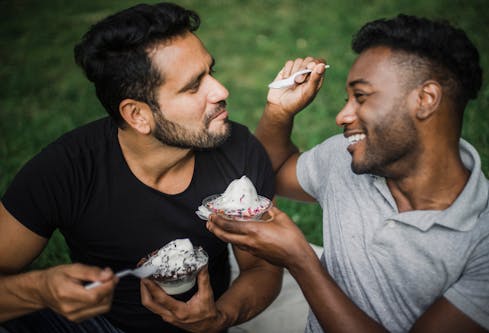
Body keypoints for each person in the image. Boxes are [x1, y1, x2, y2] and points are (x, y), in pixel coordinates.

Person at [0, 3, 286, 333]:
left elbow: (262, 269)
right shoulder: (67, 170)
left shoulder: (238, 151)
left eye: (212, 72)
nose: (221, 91)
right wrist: (39, 290)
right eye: (193, 86)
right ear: (138, 115)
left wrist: (219, 317)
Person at [207, 14, 489, 332]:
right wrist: (279, 112)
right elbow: (272, 171)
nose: (342, 116)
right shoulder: (346, 158)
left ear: (425, 99)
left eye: (361, 97)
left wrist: (302, 260)